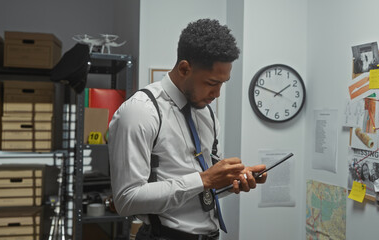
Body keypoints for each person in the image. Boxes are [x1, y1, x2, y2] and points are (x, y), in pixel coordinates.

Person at [109, 18, 267, 240]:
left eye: (223, 83)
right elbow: (126, 200)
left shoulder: (206, 113)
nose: (218, 93)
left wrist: (231, 181)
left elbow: (200, 192)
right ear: (184, 68)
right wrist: (204, 179)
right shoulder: (140, 113)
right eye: (212, 83)